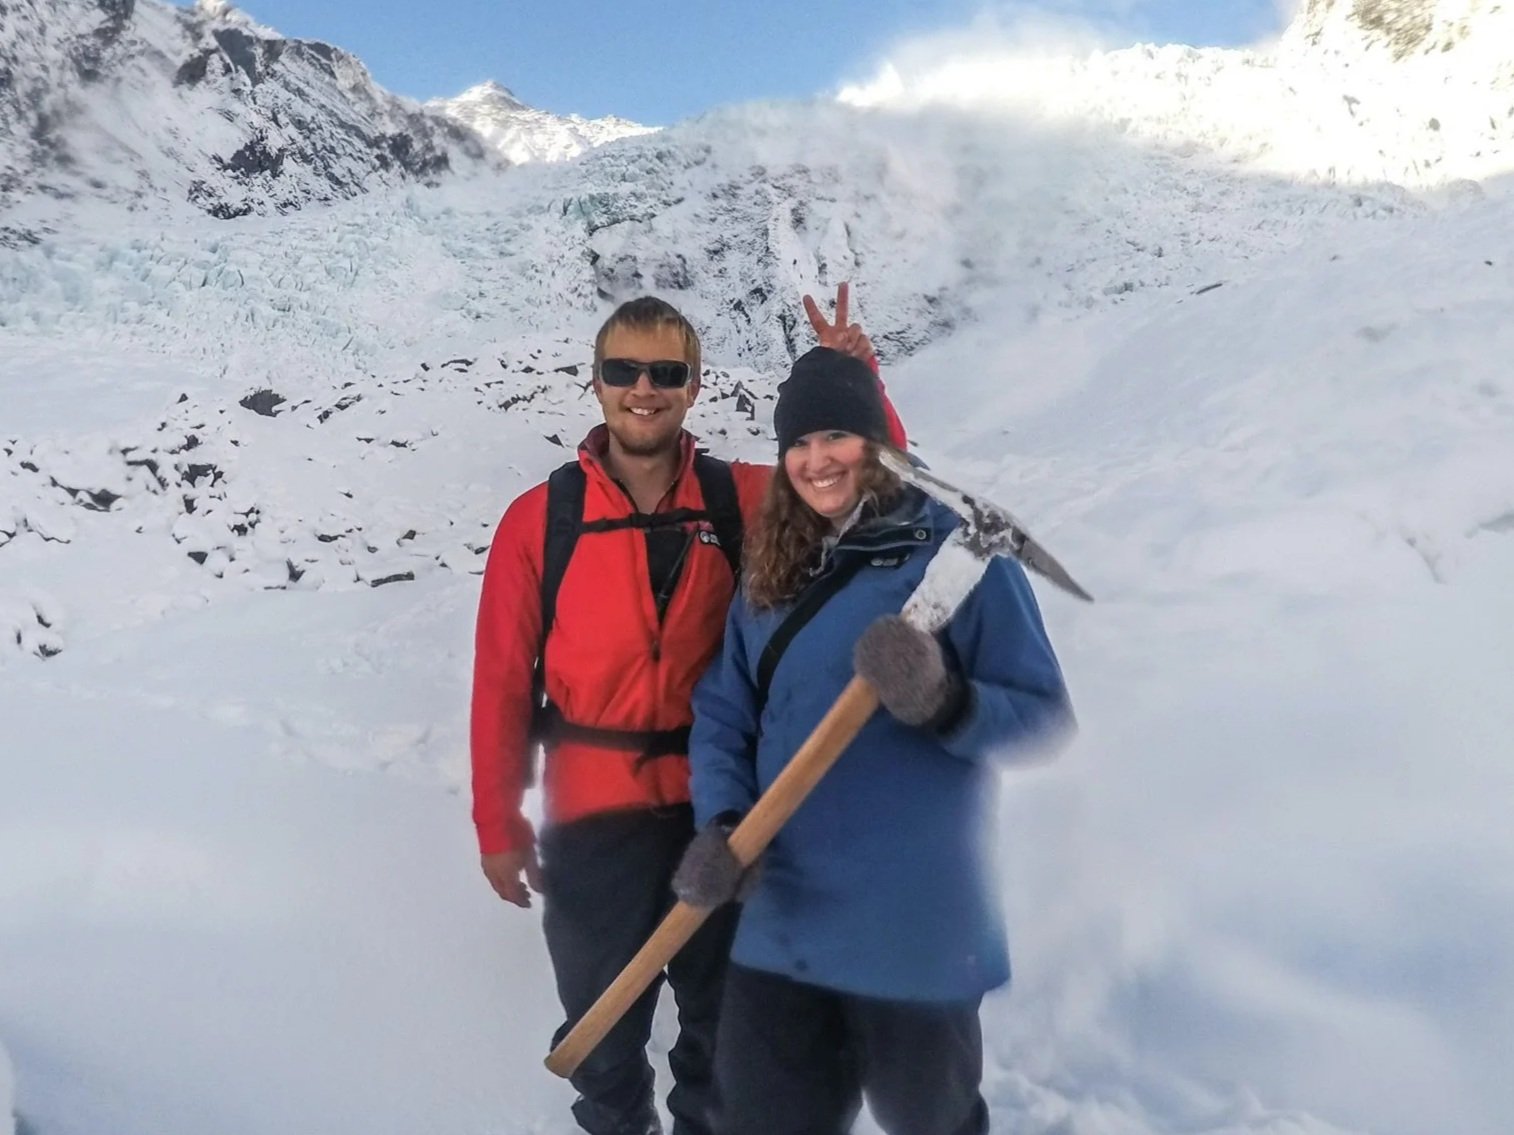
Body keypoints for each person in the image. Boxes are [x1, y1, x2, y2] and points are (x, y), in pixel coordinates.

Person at [470, 288, 906, 1135]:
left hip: (722, 811)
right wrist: (498, 822)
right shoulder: (540, 520)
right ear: (595, 383)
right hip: (590, 819)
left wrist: (859, 381)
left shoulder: (736, 497)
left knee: (724, 1031)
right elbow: (501, 685)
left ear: (695, 385)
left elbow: (863, 498)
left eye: (666, 371)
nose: (644, 387)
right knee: (601, 1032)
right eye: (623, 369)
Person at [671, 347, 1075, 1135]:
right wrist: (722, 823)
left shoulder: (961, 557)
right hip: (785, 919)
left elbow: (1042, 713)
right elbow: (725, 713)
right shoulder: (773, 567)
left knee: (931, 1122)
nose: (816, 460)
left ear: (877, 442)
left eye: (836, 436)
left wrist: (945, 701)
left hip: (915, 929)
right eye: (798, 443)